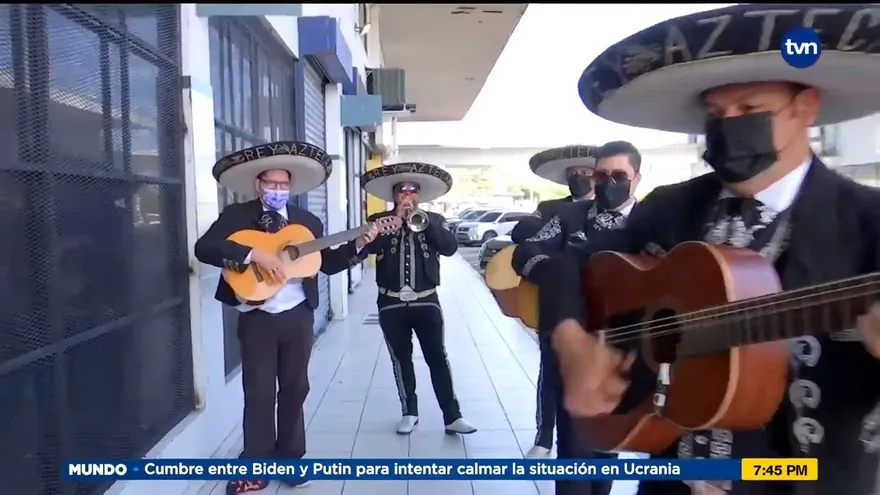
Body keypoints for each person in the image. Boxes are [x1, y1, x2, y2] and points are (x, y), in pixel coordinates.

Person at [514, 5, 880, 494]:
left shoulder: (867, 222)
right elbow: (569, 267)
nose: (729, 127)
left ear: (805, 108)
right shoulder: (674, 207)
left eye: (750, 110)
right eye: (715, 114)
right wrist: (573, 343)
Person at [194, 141, 380, 494]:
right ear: (258, 184)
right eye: (271, 184)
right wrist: (255, 256)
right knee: (260, 392)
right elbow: (204, 248)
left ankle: (291, 457)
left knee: (296, 388)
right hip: (257, 315)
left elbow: (326, 264)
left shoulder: (308, 221)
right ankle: (255, 464)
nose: (277, 190)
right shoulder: (237, 216)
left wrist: (360, 244)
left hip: (297, 317)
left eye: (283, 185)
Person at [518, 141, 643, 495]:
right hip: (575, 354)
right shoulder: (569, 217)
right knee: (574, 454)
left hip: (627, 355)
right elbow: (527, 252)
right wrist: (561, 274)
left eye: (619, 175)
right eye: (602, 175)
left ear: (636, 179)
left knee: (607, 454)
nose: (608, 182)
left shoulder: (651, 222)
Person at [358, 162, 476, 435]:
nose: (408, 196)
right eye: (402, 191)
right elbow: (367, 249)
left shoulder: (434, 219)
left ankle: (452, 416)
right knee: (401, 359)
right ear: (394, 195)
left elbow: (449, 248)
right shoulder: (379, 218)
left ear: (419, 196)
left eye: (413, 191)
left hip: (427, 300)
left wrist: (424, 224)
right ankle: (409, 411)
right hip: (390, 302)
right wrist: (392, 223)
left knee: (437, 357)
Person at [511, 144, 599, 243]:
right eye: (572, 173)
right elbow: (520, 234)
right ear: (567, 178)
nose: (578, 177)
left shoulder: (606, 208)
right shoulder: (548, 208)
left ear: (597, 177)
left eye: (584, 172)